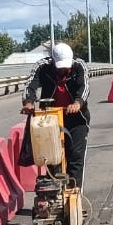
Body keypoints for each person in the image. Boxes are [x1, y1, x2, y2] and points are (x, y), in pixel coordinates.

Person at [21, 42, 90, 188]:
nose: (63, 70)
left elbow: (84, 86)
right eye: (60, 67)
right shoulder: (42, 66)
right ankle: (53, 189)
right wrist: (28, 102)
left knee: (75, 156)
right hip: (50, 118)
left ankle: (74, 190)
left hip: (76, 118)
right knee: (50, 156)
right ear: (53, 61)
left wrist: (78, 103)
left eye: (66, 67)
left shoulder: (79, 66)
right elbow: (31, 84)